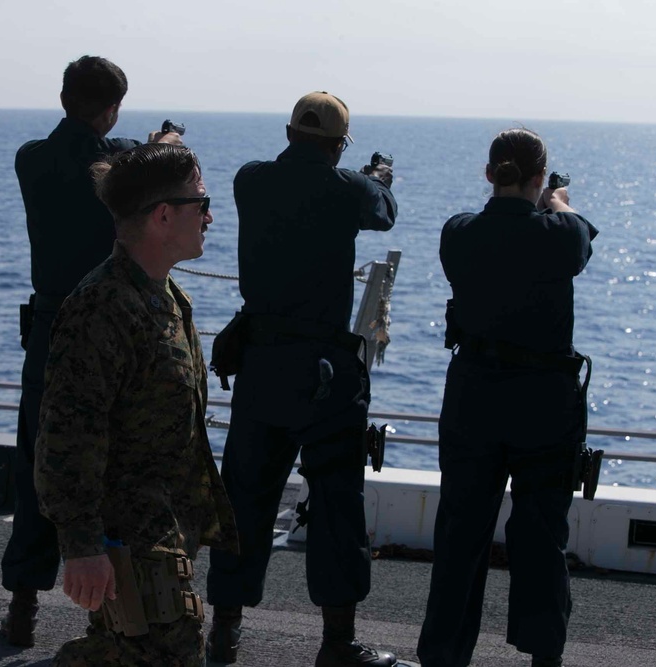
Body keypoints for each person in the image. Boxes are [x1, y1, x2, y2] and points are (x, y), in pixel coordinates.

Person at [205, 92, 399, 666]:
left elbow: (296, 183)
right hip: (324, 373)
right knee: (337, 505)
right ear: (339, 145)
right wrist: (376, 176)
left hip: (261, 364)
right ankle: (337, 643)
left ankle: (224, 633)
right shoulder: (349, 189)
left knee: (244, 499)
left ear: (289, 133)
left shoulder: (250, 180)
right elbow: (383, 211)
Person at [0, 55, 181, 646]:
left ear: (63, 98)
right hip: (108, 324)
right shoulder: (120, 164)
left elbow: (93, 151)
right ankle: (114, 622)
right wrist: (162, 147)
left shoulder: (31, 158)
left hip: (47, 326)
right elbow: (122, 164)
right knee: (114, 468)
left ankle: (21, 609)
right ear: (113, 109)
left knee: (39, 461)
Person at [34, 143, 239, 666]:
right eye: (201, 202)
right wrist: (82, 546)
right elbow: (67, 435)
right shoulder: (104, 305)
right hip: (131, 536)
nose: (210, 216)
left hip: (165, 528)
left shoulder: (164, 295)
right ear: (163, 215)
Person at [416, 128, 597, 667]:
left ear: (489, 173)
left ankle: (444, 656)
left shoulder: (458, 232)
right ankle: (543, 656)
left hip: (473, 396)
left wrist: (536, 202)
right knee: (541, 535)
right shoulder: (560, 232)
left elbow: (493, 234)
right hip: (543, 403)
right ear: (539, 177)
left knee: (460, 534)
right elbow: (576, 236)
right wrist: (556, 201)